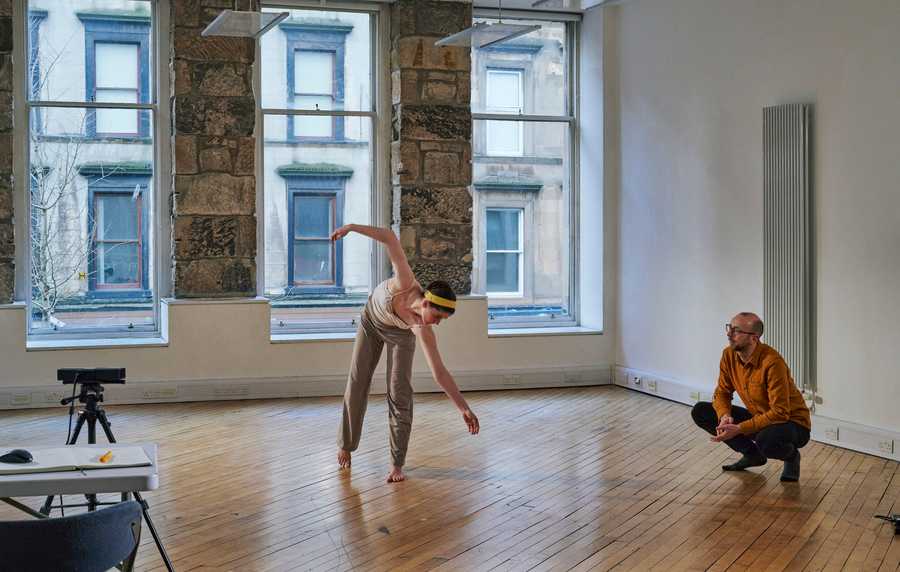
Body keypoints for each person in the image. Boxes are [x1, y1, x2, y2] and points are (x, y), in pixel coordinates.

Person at [331, 224, 480, 483]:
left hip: (400, 334)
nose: (437, 322)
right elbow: (389, 238)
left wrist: (463, 408)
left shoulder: (421, 327)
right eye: (437, 315)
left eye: (443, 319)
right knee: (357, 382)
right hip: (371, 322)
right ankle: (346, 444)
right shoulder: (405, 282)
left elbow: (439, 372)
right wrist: (351, 228)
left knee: (400, 393)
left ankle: (396, 465)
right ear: (425, 302)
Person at [691, 312, 811, 482]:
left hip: (792, 424)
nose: (729, 334)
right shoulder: (729, 355)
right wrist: (724, 416)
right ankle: (752, 455)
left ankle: (791, 456)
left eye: (736, 331)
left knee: (766, 440)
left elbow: (780, 412)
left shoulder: (772, 362)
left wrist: (740, 428)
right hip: (761, 418)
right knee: (701, 411)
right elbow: (722, 392)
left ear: (754, 338)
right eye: (729, 328)